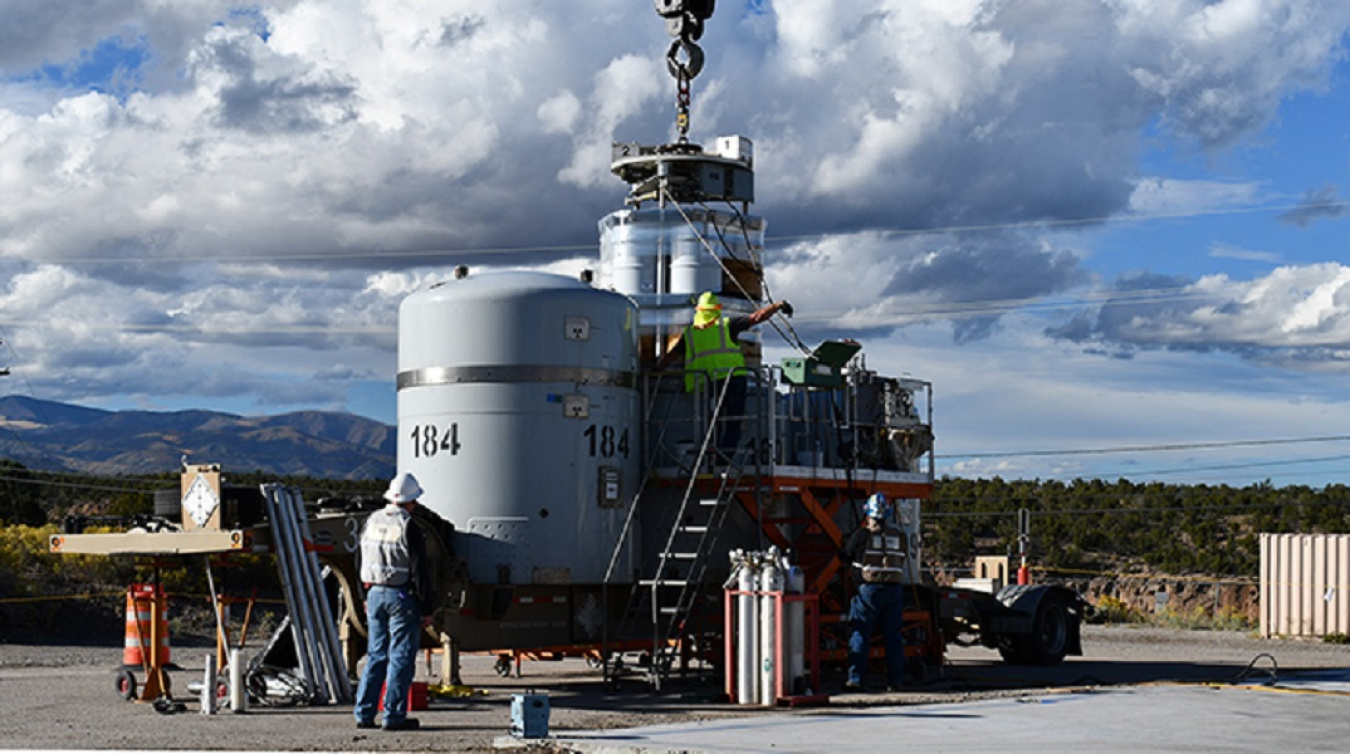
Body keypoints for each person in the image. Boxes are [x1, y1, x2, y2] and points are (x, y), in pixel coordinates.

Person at [657, 291, 792, 459]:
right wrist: (777, 306)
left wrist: (657, 370)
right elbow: (757, 317)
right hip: (733, 379)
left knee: (715, 418)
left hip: (709, 382)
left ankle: (714, 450)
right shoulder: (726, 325)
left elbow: (672, 355)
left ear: (699, 310)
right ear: (717, 309)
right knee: (733, 420)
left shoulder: (691, 334)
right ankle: (725, 457)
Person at [353, 471, 434, 731]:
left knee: (376, 655)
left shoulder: (371, 520)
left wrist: (362, 595)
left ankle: (364, 713)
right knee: (400, 657)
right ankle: (393, 715)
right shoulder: (409, 525)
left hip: (374, 593)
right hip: (400, 594)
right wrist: (427, 608)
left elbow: (358, 559)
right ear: (412, 501)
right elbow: (420, 569)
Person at [843, 492, 907, 692]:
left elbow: (845, 554)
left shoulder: (863, 535)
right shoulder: (899, 536)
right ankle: (895, 681)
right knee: (893, 637)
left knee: (860, 633)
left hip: (869, 591)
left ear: (868, 514)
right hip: (894, 590)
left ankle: (855, 679)